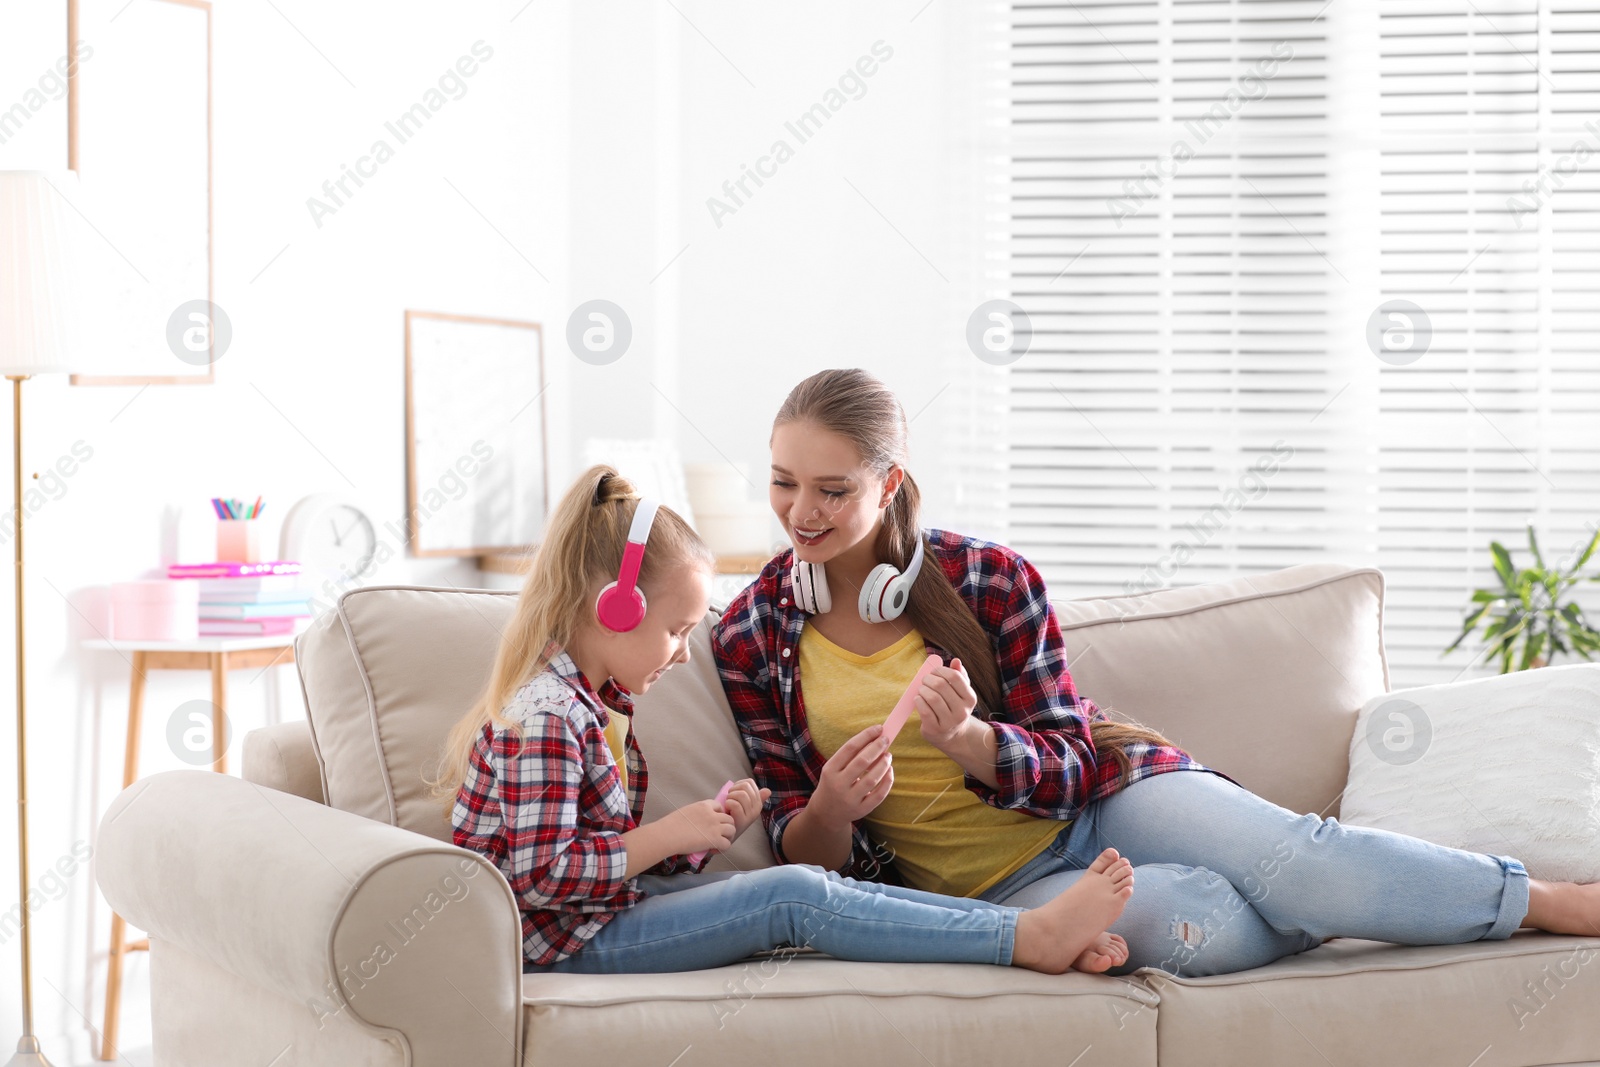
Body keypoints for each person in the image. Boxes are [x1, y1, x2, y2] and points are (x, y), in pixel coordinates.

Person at [712, 368, 1600, 978]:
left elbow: (1072, 760)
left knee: (1296, 856)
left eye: (831, 488)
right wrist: (831, 806)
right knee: (1193, 926)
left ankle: (1546, 900)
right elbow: (806, 850)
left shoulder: (989, 579)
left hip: (1110, 795)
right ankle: (1350, 900)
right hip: (999, 888)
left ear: (888, 481)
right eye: (785, 482)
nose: (802, 511)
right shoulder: (753, 632)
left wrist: (974, 742)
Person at [427, 463, 1140, 975]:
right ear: (614, 609)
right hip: (563, 943)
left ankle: (1029, 934)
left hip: (593, 915)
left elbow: (600, 854)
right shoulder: (546, 716)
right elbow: (540, 876)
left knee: (810, 891)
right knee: (794, 897)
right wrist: (667, 833)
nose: (683, 652)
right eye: (676, 630)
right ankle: (1028, 937)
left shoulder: (595, 702)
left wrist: (707, 830)